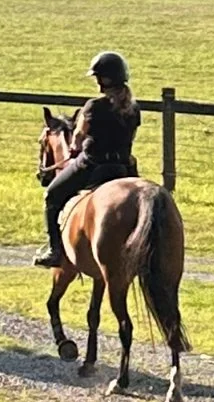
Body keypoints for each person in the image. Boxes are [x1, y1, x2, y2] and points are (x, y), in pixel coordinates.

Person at [38, 51, 143, 264]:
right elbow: (131, 137)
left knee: (51, 196)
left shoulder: (93, 106)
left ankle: (55, 251)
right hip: (123, 167)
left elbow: (77, 138)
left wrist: (76, 148)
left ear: (103, 80)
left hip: (93, 165)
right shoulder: (134, 109)